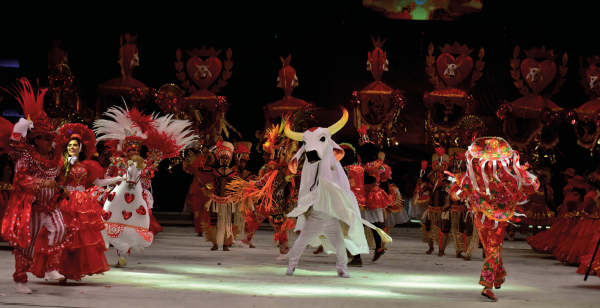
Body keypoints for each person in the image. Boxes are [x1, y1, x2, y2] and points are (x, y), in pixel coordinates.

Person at [94, 106, 196, 266]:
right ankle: (106, 245)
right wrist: (106, 189)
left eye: (136, 149)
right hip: (115, 196)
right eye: (131, 149)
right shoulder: (118, 162)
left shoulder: (145, 165)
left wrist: (144, 177)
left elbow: (147, 183)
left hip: (134, 199)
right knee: (108, 220)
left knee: (131, 225)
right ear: (125, 150)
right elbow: (108, 176)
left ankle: (123, 253)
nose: (134, 151)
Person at [0, 78, 70, 293]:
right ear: (36, 139)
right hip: (32, 207)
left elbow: (57, 179)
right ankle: (20, 280)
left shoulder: (55, 158)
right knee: (26, 246)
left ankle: (50, 269)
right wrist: (40, 182)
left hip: (52, 205)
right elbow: (20, 179)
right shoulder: (27, 158)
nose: (50, 141)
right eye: (46, 138)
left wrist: (61, 188)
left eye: (51, 138)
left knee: (60, 229)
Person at [448, 137, 538, 301]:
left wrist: (459, 184)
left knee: (490, 249)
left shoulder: (474, 176)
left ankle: (498, 275)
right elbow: (532, 187)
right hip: (497, 218)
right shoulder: (507, 178)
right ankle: (487, 285)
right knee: (493, 250)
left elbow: (454, 193)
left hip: (480, 218)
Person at [55, 124, 109, 281]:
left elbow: (98, 181)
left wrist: (119, 179)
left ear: (80, 148)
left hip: (83, 201)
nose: (72, 147)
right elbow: (58, 177)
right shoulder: (63, 162)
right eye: (70, 145)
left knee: (82, 237)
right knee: (64, 233)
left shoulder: (88, 165)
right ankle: (60, 268)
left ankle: (77, 269)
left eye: (75, 145)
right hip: (66, 198)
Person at [527, 175, 587, 254]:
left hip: (574, 217)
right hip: (567, 216)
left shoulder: (579, 195)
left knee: (566, 234)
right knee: (559, 233)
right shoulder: (571, 192)